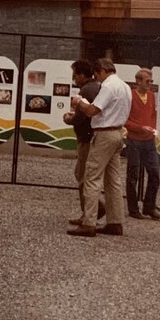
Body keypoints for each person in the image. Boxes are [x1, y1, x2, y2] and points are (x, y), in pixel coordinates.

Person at [66, 58, 132, 237]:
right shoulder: (125, 86)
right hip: (118, 132)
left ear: (102, 70)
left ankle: (89, 223)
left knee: (92, 177)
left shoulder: (109, 86)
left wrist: (79, 101)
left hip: (104, 134)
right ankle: (115, 222)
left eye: (97, 74)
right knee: (113, 181)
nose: (97, 78)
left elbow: (92, 110)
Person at [62, 59, 104, 225]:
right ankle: (93, 210)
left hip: (86, 139)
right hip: (94, 137)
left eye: (75, 75)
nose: (74, 79)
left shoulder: (86, 90)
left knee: (82, 175)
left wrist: (69, 119)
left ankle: (89, 212)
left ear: (81, 74)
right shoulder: (97, 87)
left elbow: (82, 116)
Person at [125, 68, 160, 220]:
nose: (149, 84)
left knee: (154, 173)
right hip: (134, 140)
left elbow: (153, 114)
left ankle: (149, 206)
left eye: (151, 81)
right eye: (147, 81)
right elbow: (124, 119)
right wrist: (140, 128)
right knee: (133, 175)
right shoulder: (130, 96)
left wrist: (151, 128)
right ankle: (133, 209)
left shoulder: (152, 96)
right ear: (138, 81)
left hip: (148, 140)